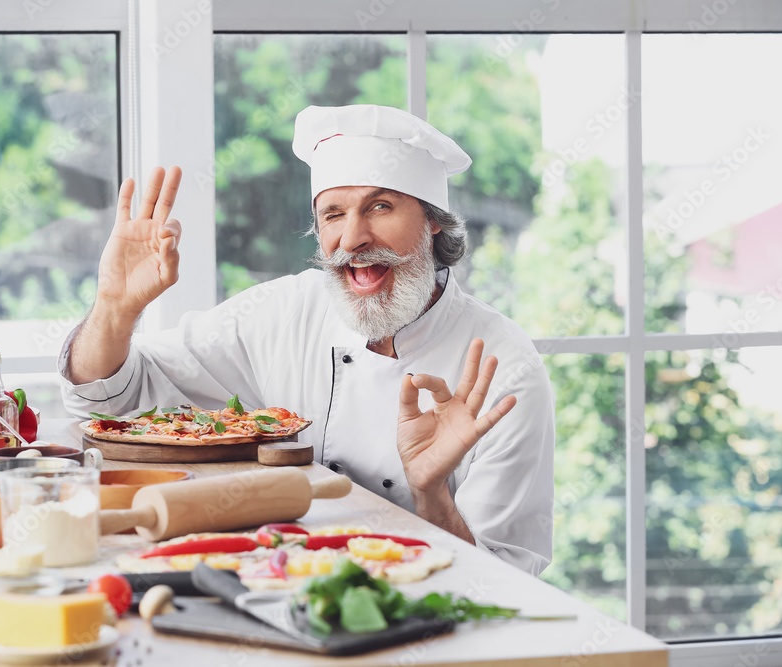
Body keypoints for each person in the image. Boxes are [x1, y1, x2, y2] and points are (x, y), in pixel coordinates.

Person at [59, 104, 555, 576]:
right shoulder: (282, 311)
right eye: (334, 214)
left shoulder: (503, 367)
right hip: (281, 589)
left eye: (380, 206)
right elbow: (109, 401)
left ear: (434, 222)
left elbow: (500, 583)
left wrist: (430, 493)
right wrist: (115, 308)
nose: (354, 238)